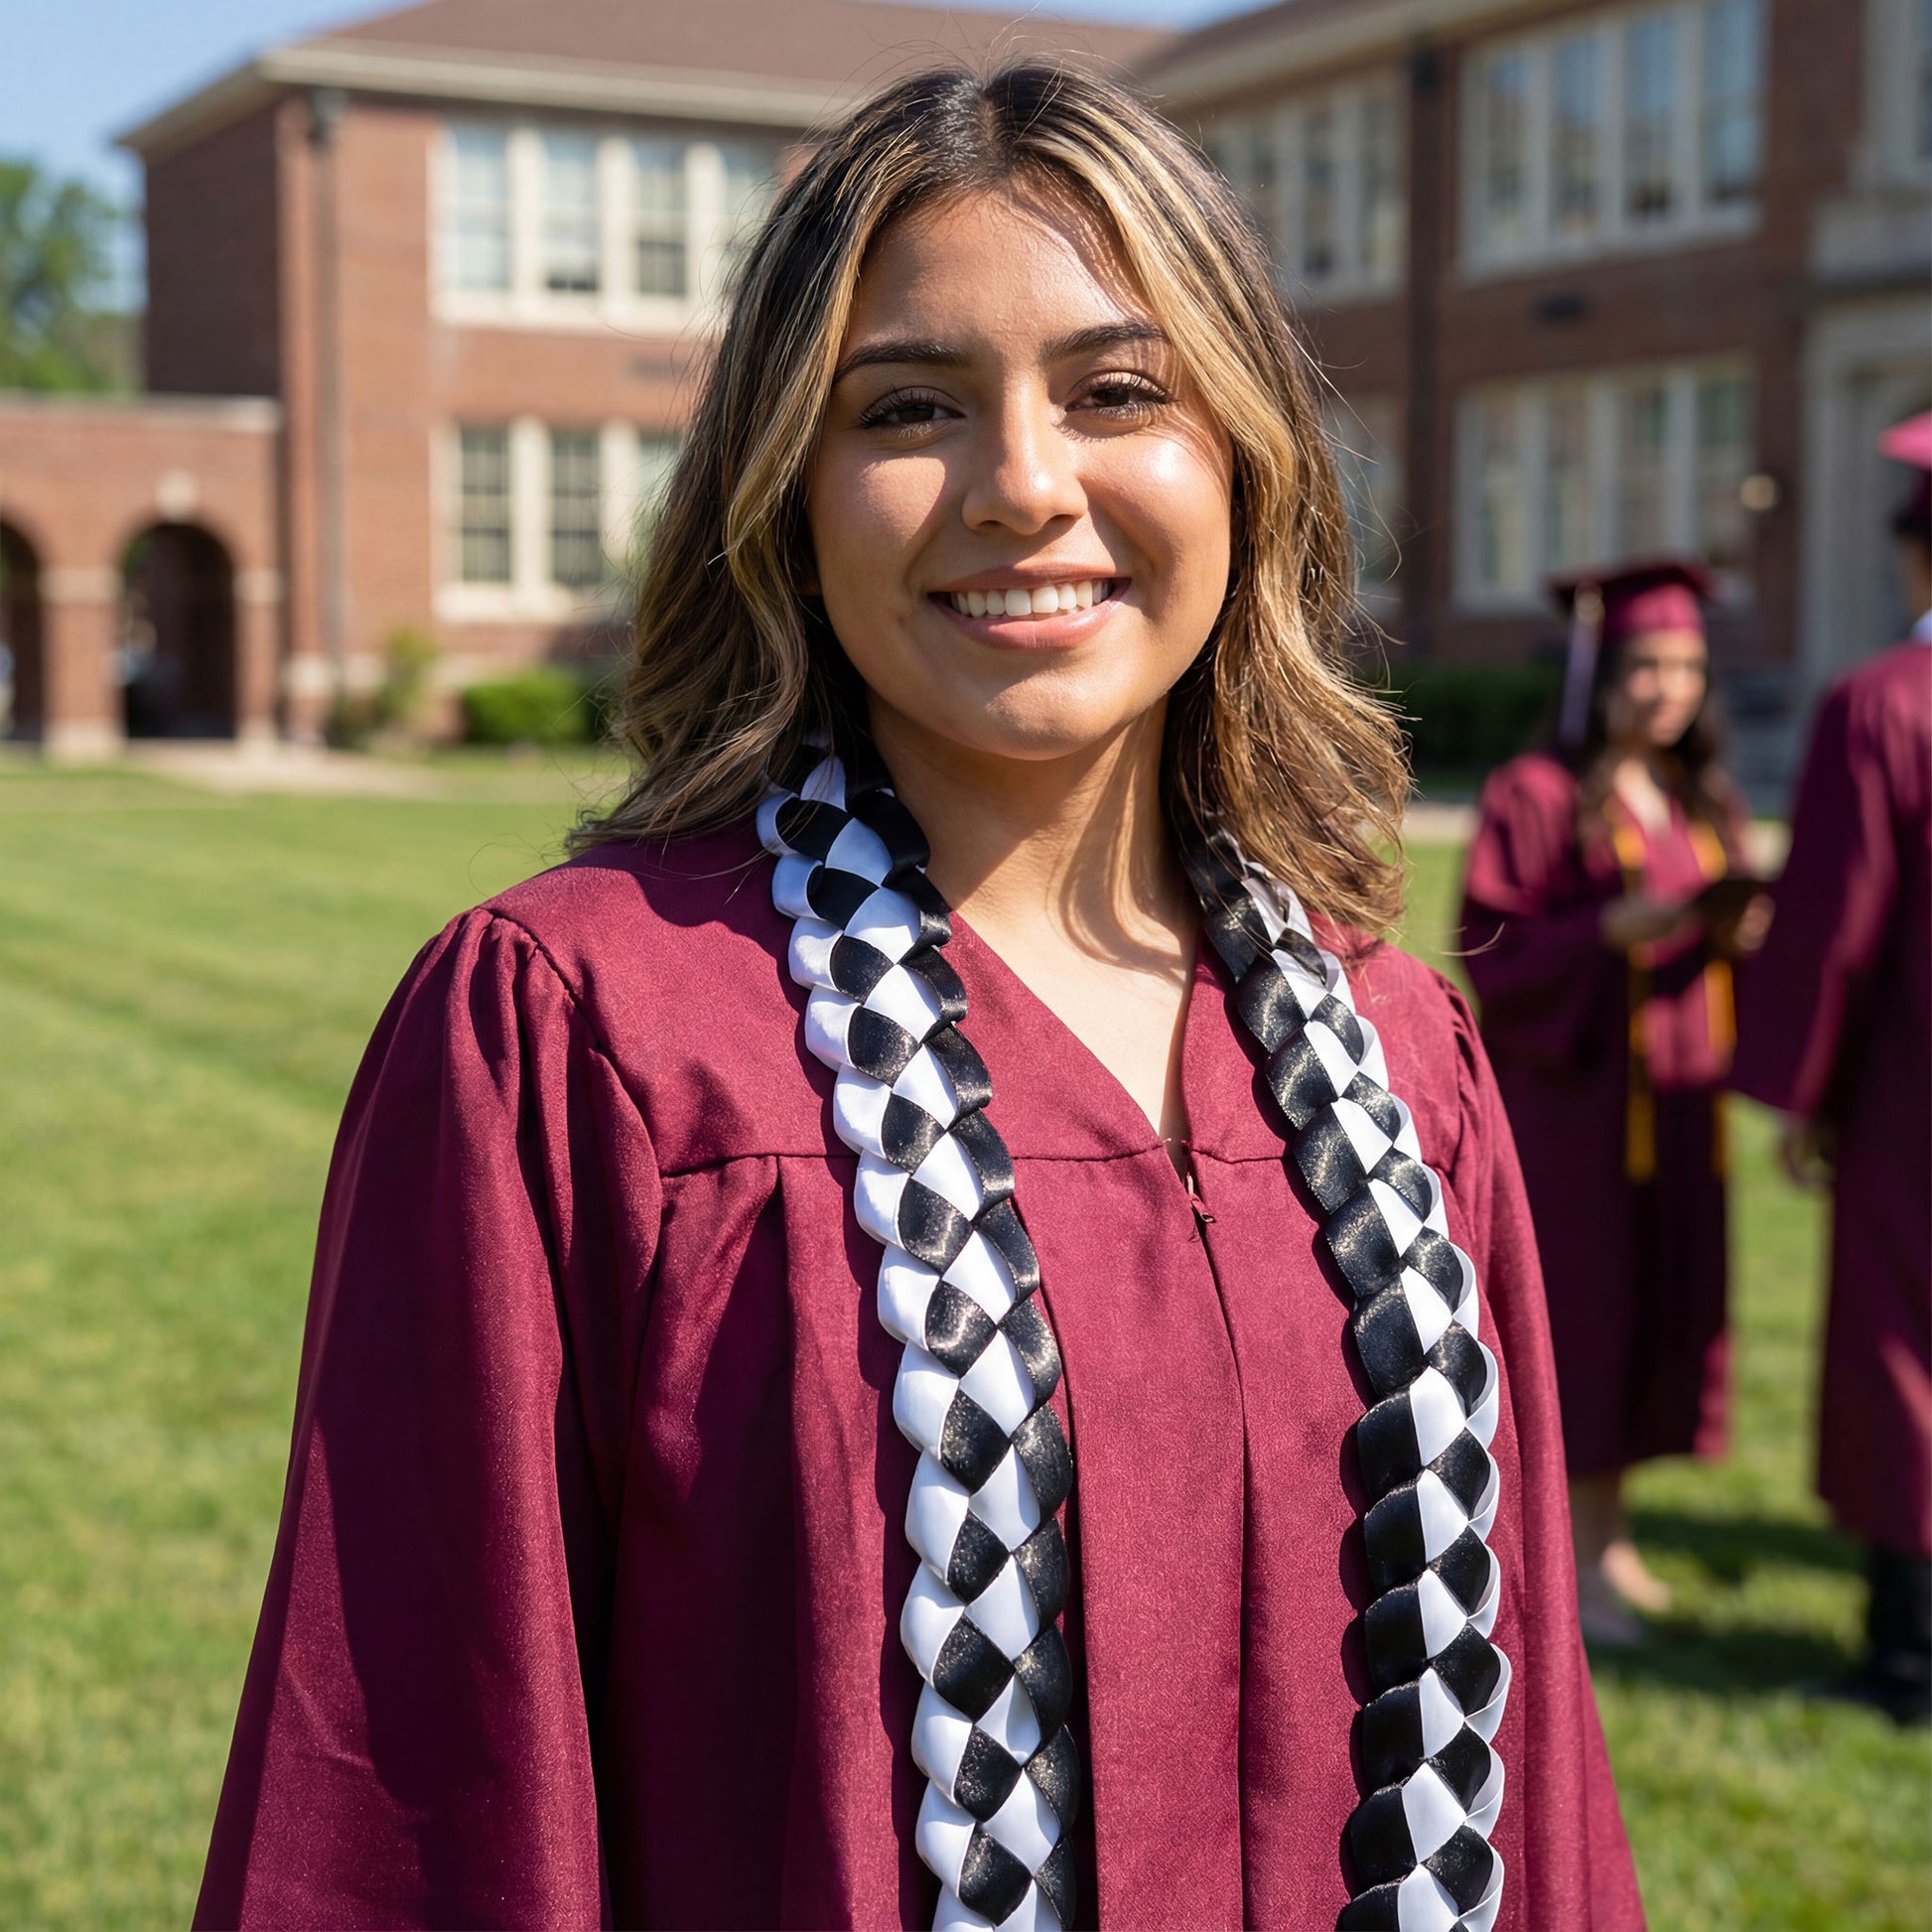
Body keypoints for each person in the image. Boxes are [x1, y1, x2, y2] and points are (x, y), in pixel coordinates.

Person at [195, 67, 1642, 1930]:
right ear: (785, 487)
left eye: (1121, 392)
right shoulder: (580, 1034)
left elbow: (1537, 1795)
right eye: (907, 408)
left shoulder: (1389, 1052)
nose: (1026, 485)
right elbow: (419, 1812)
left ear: (1249, 456)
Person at [1458, 562, 1768, 1646]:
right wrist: (1607, 933)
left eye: (1684, 666)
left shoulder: (1696, 798)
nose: (1666, 688)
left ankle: (1614, 1541)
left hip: (1677, 1107)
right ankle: (1567, 1569)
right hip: (1578, 1111)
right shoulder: (1532, 795)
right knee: (1586, 1324)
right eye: (1644, 665)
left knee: (1652, 1312)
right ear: (1598, 672)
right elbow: (1489, 950)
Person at [1729, 413, 1932, 1726]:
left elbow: (1836, 919)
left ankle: (1906, 1654)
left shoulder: (1880, 708)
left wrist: (1798, 1086)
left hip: (1911, 1093)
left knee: (1906, 1350)